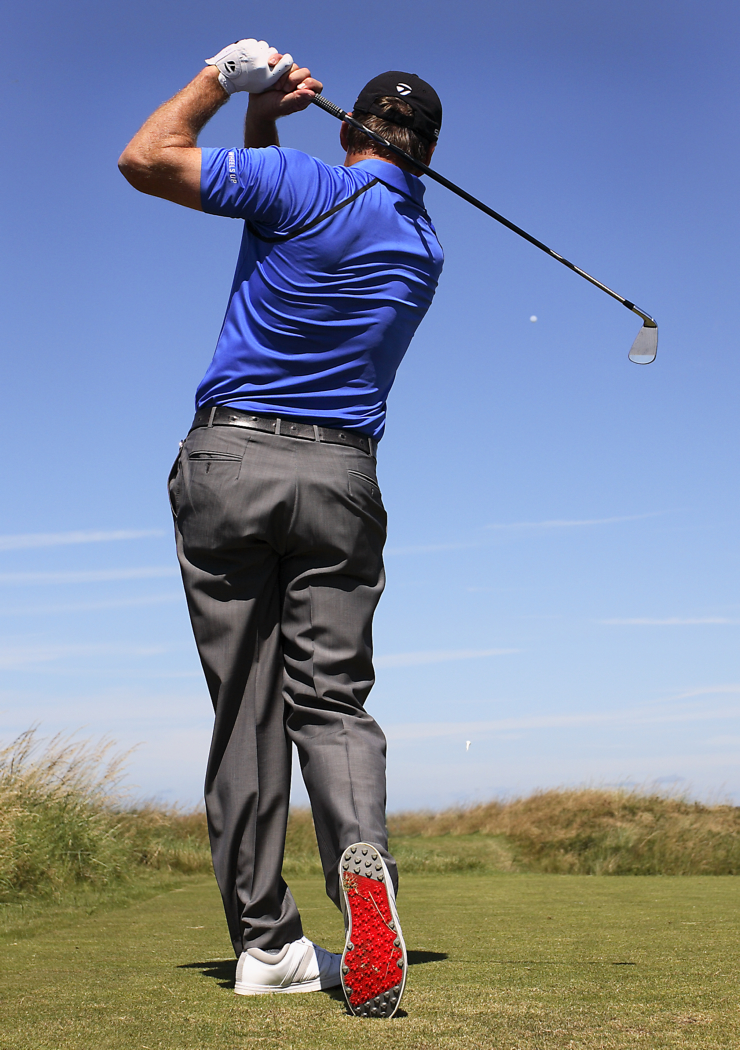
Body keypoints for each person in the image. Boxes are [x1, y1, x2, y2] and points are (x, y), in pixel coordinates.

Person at [119, 38, 443, 1018]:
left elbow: (145, 160)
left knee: (249, 709)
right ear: (423, 159)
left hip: (230, 462)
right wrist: (274, 123)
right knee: (331, 704)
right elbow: (292, 204)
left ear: (345, 128)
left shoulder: (298, 183)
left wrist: (225, 82)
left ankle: (266, 943)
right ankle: (362, 868)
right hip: (340, 474)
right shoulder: (422, 245)